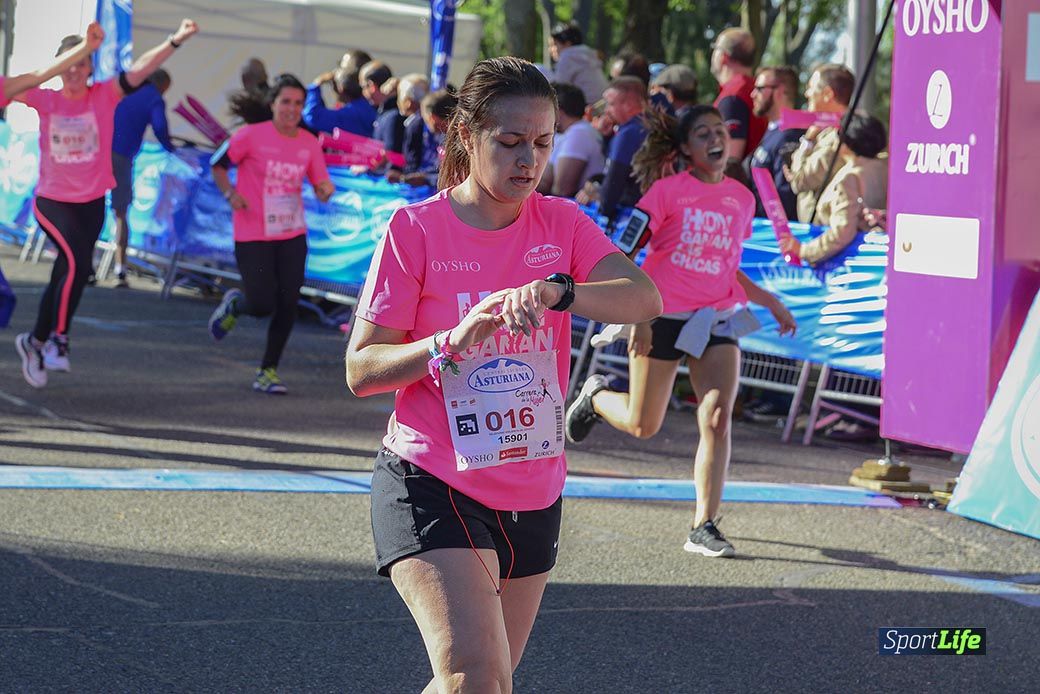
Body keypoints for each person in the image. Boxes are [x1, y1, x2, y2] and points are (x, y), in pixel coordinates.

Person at [345, 56, 661, 692]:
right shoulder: (415, 230)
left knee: (483, 684)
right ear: (468, 136)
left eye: (542, 143)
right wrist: (447, 342)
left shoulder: (562, 224)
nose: (528, 160)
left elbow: (643, 298)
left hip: (532, 485)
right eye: (510, 142)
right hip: (432, 475)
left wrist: (559, 292)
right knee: (475, 677)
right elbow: (361, 369)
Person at [565, 106, 796, 558]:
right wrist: (639, 317)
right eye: (704, 133)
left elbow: (725, 263)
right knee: (642, 424)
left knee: (716, 416)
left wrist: (768, 299)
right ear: (687, 149)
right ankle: (594, 397)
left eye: (721, 131)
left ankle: (703, 525)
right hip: (660, 316)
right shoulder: (665, 193)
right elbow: (623, 253)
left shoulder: (741, 197)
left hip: (715, 318)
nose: (717, 139)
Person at [13, 19, 199, 389]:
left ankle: (33, 342)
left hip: (91, 201)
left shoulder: (103, 95)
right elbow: (14, 87)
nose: (77, 71)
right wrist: (51, 69)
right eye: (70, 63)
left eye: (84, 64)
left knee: (67, 273)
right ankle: (59, 341)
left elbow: (142, 68)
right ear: (58, 67)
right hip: (53, 202)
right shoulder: (44, 98)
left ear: (91, 70)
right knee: (79, 264)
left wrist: (175, 39)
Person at [207, 74, 335, 394]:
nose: (292, 109)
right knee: (262, 303)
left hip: (291, 232)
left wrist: (323, 189)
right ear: (273, 104)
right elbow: (218, 164)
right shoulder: (250, 136)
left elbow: (320, 182)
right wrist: (230, 195)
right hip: (253, 232)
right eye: (285, 102)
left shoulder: (308, 142)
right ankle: (237, 306)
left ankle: (268, 370)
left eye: (298, 103)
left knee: (288, 303)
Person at [780, 112, 888, 265]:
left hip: (846, 264)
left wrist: (804, 250)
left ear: (845, 144)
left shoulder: (850, 178)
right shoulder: (886, 168)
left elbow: (842, 232)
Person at [110, 68, 176, 288]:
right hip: (121, 155)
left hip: (101, 149)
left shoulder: (128, 91)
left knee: (90, 206)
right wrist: (171, 148)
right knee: (121, 212)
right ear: (163, 85)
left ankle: (84, 264)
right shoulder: (154, 98)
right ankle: (120, 269)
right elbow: (160, 127)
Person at [784, 64, 854, 223]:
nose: (807, 94)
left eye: (811, 88)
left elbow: (799, 181)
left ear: (828, 93)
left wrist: (808, 140)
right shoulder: (829, 132)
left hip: (827, 233)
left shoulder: (839, 136)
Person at [575, 76, 647, 223]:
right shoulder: (645, 124)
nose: (606, 110)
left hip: (630, 213)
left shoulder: (628, 133)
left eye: (611, 104)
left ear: (629, 105)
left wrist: (601, 204)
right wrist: (607, 138)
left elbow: (614, 182)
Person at [745, 65, 804, 221]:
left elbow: (784, 198)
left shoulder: (789, 135)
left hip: (772, 236)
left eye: (759, 88)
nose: (752, 94)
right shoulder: (774, 130)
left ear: (779, 91)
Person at [710, 27, 767, 166]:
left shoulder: (733, 96)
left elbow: (729, 162)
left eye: (715, 49)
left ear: (723, 56)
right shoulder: (758, 90)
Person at [537, 82, 604, 198]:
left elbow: (562, 189)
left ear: (558, 112)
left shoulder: (580, 133)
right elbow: (545, 181)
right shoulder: (569, 133)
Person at [304, 66, 376, 137]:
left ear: (340, 89)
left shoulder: (348, 114)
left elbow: (313, 116)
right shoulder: (371, 106)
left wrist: (316, 83)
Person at [548, 22, 608, 105]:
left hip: (587, 107)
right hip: (603, 103)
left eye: (554, 44)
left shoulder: (567, 56)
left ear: (567, 43)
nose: (550, 50)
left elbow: (557, 90)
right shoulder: (587, 54)